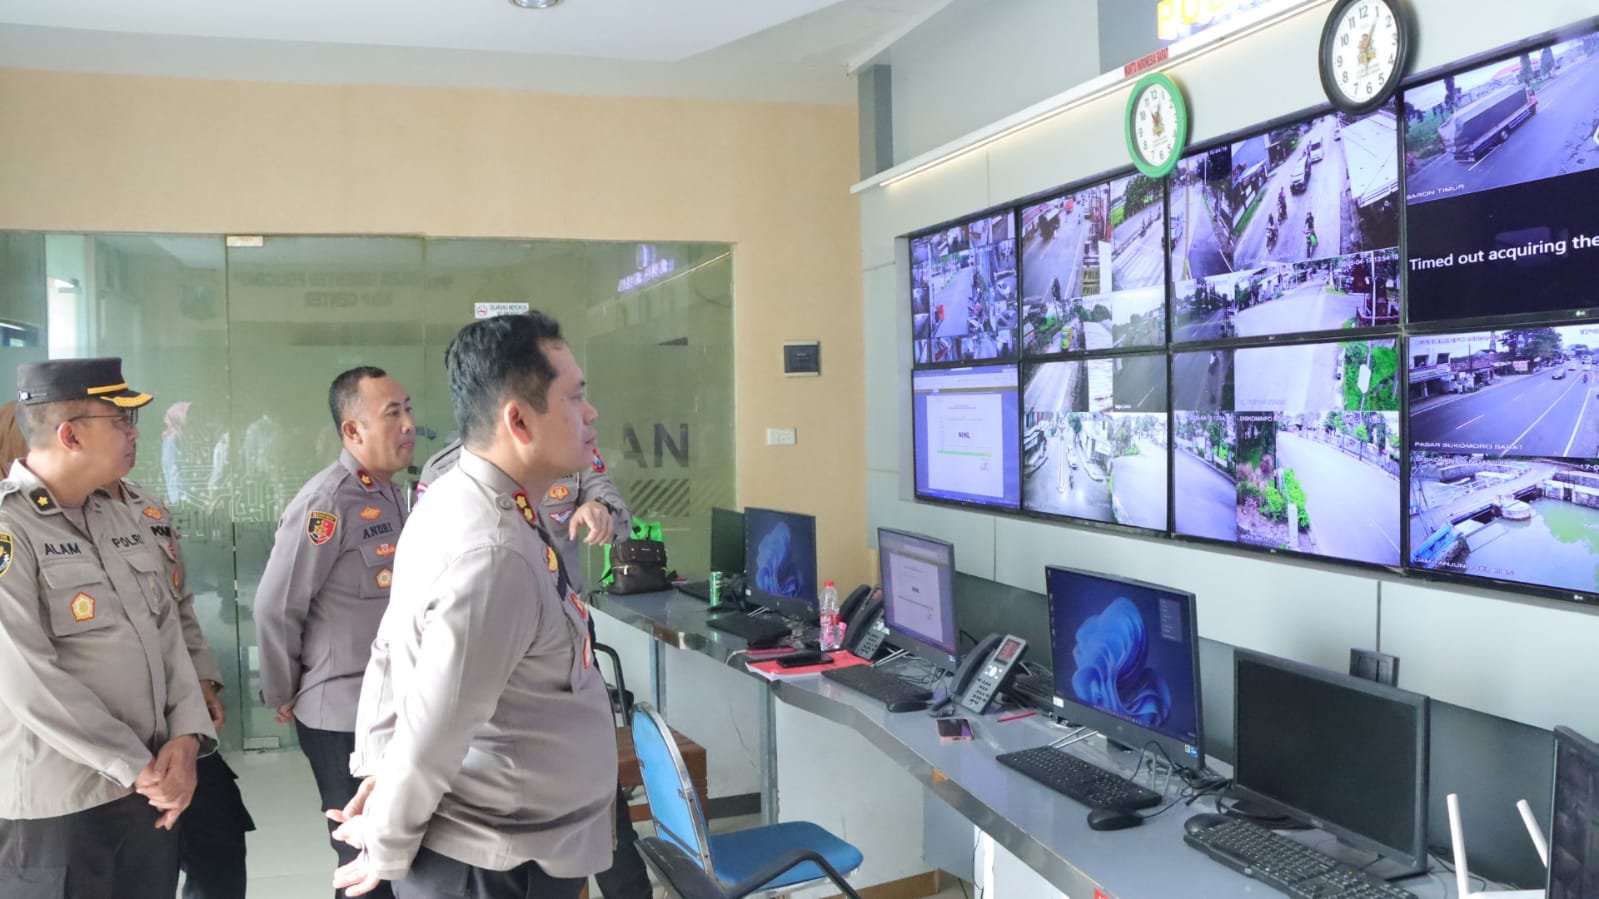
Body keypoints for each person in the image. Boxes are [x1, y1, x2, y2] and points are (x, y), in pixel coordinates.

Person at [333, 312, 619, 899]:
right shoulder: (493, 551)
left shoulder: (462, 499)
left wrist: (381, 772)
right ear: (519, 420)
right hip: (494, 867)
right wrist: (385, 843)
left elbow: (393, 650)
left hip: (506, 848)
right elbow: (436, 726)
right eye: (575, 397)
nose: (591, 414)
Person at [0, 357, 216, 898]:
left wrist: (186, 737)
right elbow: (26, 677)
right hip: (62, 806)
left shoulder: (123, 517)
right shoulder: (10, 529)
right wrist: (138, 766)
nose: (133, 433)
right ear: (70, 435)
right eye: (120, 420)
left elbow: (168, 633)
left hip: (148, 791)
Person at [416, 432, 646, 898]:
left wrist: (600, 511)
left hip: (567, 642)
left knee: (597, 779)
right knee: (509, 776)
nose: (583, 414)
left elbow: (618, 514)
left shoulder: (566, 451)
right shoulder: (443, 471)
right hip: (489, 646)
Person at [253, 365, 414, 899]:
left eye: (408, 410)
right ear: (352, 430)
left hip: (393, 707)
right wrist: (282, 690)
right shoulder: (326, 503)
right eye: (392, 414)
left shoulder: (393, 494)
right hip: (343, 714)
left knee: (400, 858)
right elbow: (276, 605)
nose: (408, 425)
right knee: (363, 863)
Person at [113, 477, 256, 899]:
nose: (130, 442)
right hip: (108, 734)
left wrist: (203, 680)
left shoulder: (146, 505)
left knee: (219, 845)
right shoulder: (30, 521)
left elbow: (178, 607)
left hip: (178, 718)